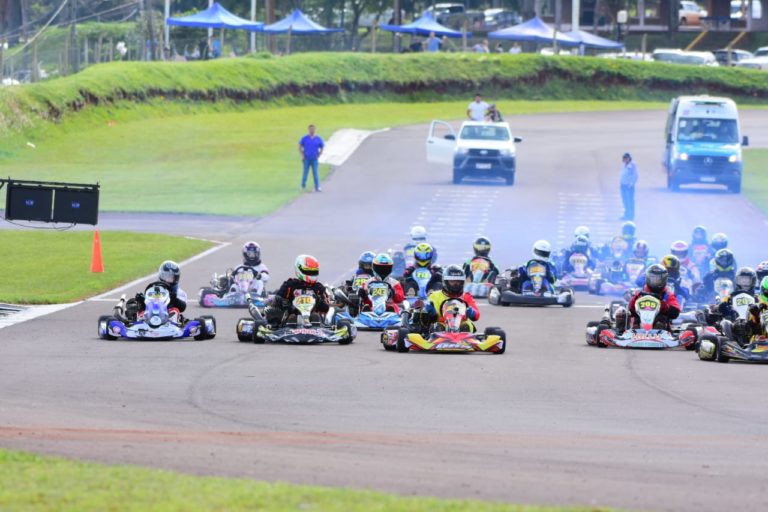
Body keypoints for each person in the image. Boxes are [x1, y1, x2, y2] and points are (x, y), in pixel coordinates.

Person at [264, 255, 331, 326]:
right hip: (291, 317)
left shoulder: (319, 288)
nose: (312, 274)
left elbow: (326, 309)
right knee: (281, 313)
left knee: (315, 316)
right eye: (308, 271)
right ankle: (286, 324)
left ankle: (313, 324)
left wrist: (318, 301)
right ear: (299, 270)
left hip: (314, 319)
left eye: (314, 271)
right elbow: (277, 302)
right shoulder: (290, 285)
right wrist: (285, 303)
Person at [615, 264, 681, 332]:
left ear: (664, 279)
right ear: (647, 278)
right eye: (653, 278)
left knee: (661, 318)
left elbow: (675, 312)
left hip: (660, 327)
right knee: (621, 311)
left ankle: (657, 332)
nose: (655, 281)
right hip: (638, 323)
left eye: (658, 279)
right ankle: (622, 332)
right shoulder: (641, 292)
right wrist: (635, 300)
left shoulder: (667, 294)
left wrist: (663, 305)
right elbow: (631, 308)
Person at [423, 265, 480, 332]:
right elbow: (424, 317)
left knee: (467, 325)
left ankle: (465, 341)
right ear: (445, 282)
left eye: (458, 282)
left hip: (461, 328)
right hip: (442, 327)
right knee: (437, 326)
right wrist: (430, 312)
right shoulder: (434, 296)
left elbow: (476, 316)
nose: (455, 284)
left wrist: (471, 312)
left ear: (462, 282)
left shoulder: (466, 296)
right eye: (452, 282)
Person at [298, 124, 325, 192]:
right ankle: (303, 185)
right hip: (306, 158)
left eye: (313, 129)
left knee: (315, 173)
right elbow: (300, 146)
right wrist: (302, 155)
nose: (312, 130)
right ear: (308, 130)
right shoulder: (305, 138)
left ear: (315, 130)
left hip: (314, 159)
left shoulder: (318, 139)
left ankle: (317, 187)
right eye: (310, 129)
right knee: (305, 172)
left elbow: (322, 147)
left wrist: (319, 154)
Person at [619, 152, 638, 221]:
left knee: (629, 201)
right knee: (625, 201)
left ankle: (630, 216)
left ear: (628, 158)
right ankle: (626, 215)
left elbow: (635, 176)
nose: (623, 160)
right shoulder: (625, 165)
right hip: (623, 186)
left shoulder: (632, 165)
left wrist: (631, 184)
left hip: (628, 187)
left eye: (625, 158)